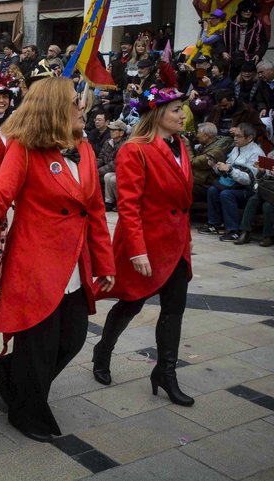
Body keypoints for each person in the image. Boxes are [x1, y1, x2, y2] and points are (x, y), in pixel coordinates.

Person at [0, 77, 115, 442]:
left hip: (74, 264)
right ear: (54, 109)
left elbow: (96, 210)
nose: (83, 107)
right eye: (74, 102)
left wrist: (105, 264)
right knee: (39, 346)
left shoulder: (83, 148)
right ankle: (26, 412)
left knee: (73, 338)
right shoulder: (23, 149)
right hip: (36, 262)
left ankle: (12, 375)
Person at [91, 87, 196, 407]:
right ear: (157, 114)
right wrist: (137, 250)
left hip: (176, 242)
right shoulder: (134, 150)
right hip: (144, 242)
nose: (182, 115)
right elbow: (129, 205)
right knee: (131, 302)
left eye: (182, 110)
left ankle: (166, 373)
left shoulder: (180, 144)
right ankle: (103, 351)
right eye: (176, 110)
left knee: (174, 310)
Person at [199, 122, 265, 241]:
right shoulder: (236, 148)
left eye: (239, 136)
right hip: (234, 185)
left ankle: (234, 230)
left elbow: (249, 179)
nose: (235, 139)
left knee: (226, 194)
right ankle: (215, 224)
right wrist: (215, 166)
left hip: (249, 190)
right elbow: (226, 170)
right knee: (213, 190)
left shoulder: (257, 153)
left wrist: (230, 170)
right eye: (234, 135)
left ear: (250, 138)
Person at [188, 121, 232, 203]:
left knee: (183, 190)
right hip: (198, 181)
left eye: (198, 133)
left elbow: (192, 162)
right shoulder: (205, 145)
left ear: (206, 136)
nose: (196, 136)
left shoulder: (216, 152)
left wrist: (186, 145)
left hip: (206, 185)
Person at [99, 119, 128, 212]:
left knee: (111, 178)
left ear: (121, 132)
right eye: (110, 130)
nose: (111, 132)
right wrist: (92, 167)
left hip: (123, 171)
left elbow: (116, 163)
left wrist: (99, 171)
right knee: (107, 176)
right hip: (112, 170)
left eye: (114, 130)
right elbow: (101, 157)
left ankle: (120, 203)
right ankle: (109, 203)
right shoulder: (108, 142)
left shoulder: (126, 144)